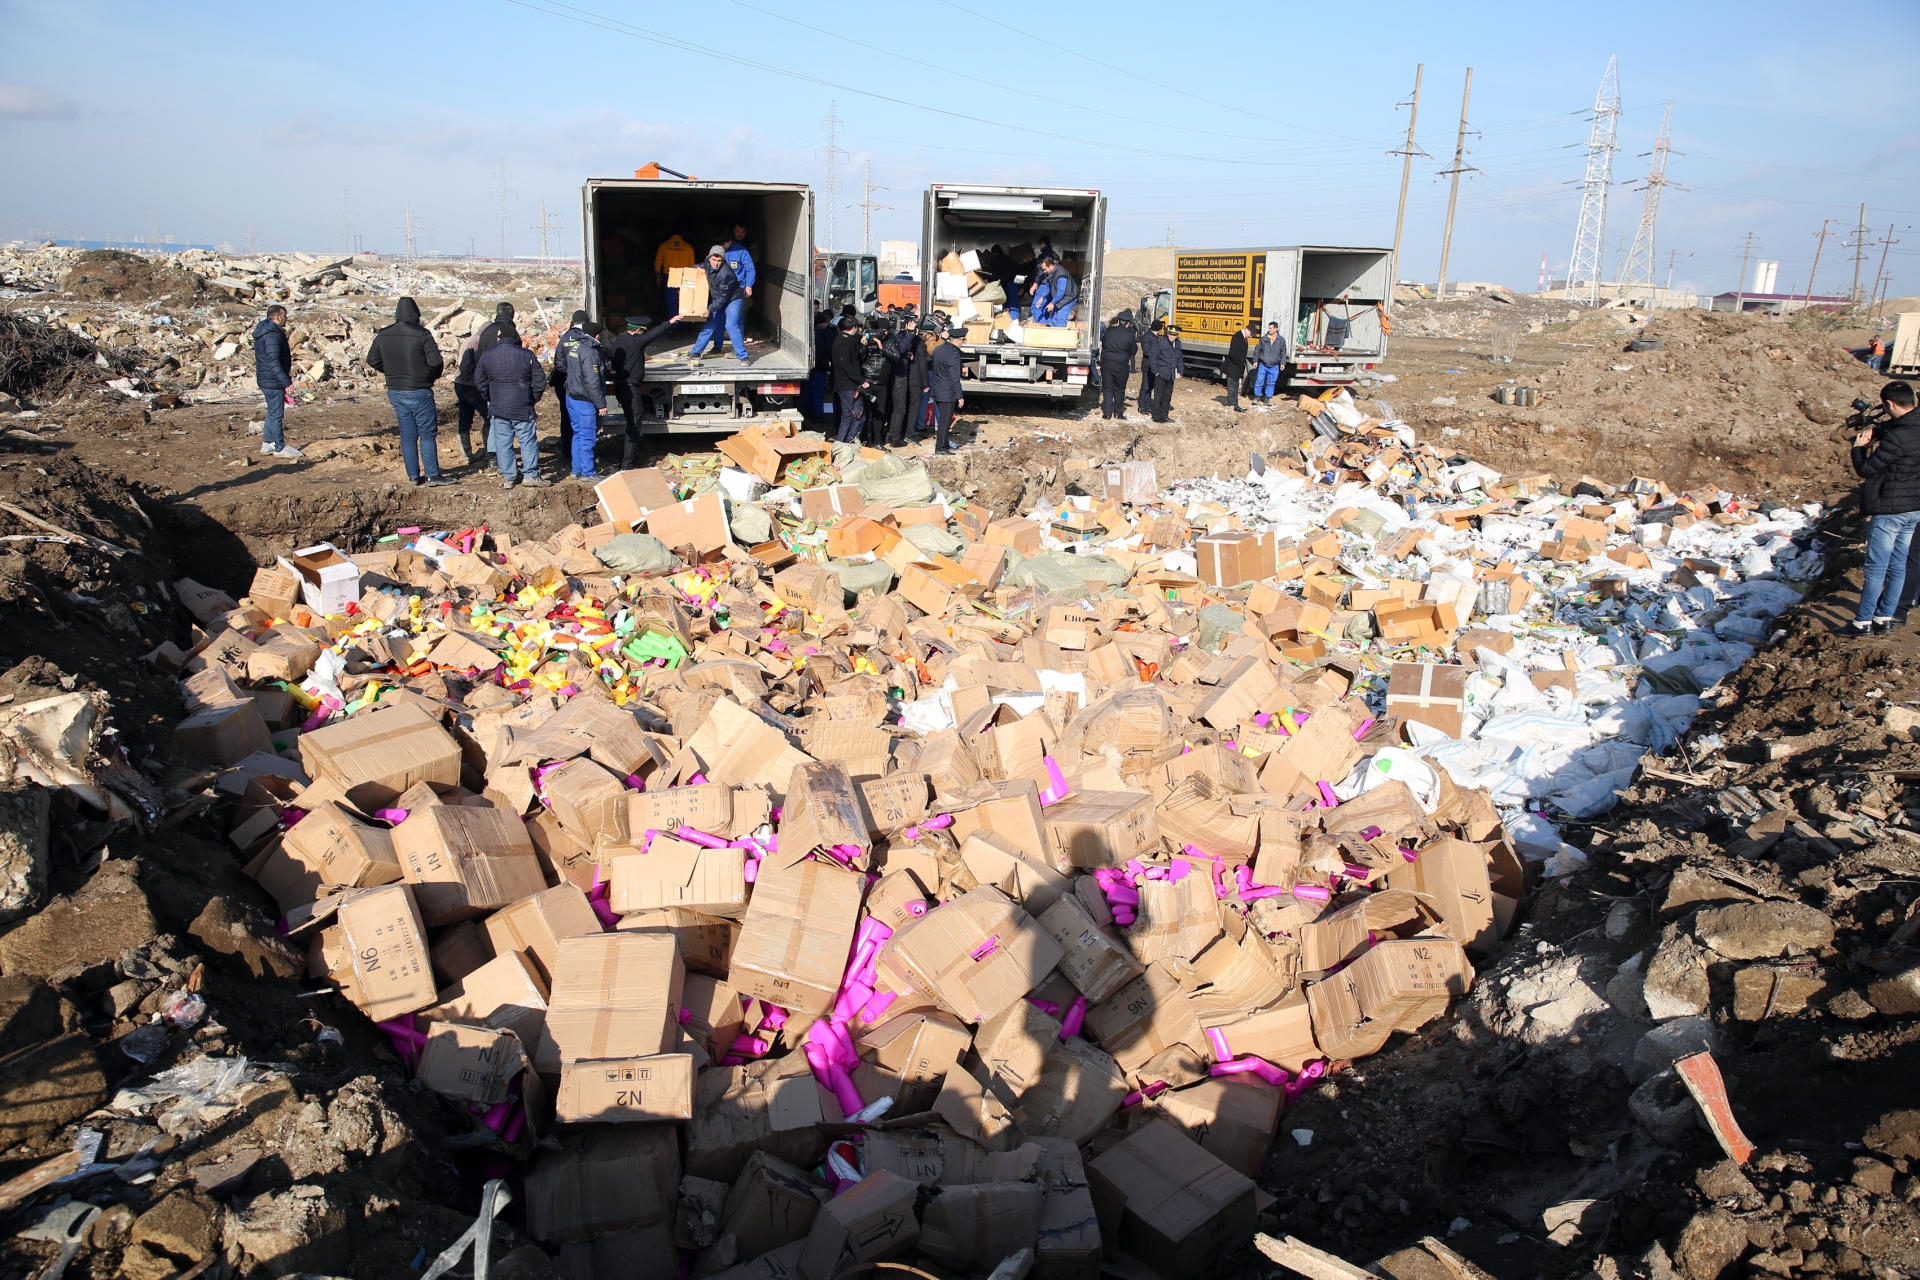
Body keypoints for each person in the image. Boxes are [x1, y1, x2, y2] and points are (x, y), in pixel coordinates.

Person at [1850, 381, 1920, 634]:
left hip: (1891, 509)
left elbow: (1867, 470)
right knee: (1899, 564)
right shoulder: (1909, 427)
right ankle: (1885, 617)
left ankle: (1862, 621)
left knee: (1876, 567)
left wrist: (1859, 448)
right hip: (1914, 508)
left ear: (1890, 404)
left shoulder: (1898, 438)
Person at [366, 296, 451, 486]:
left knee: (408, 434)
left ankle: (413, 476)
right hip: (419, 389)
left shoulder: (384, 334)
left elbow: (372, 359)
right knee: (427, 433)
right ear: (416, 314)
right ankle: (432, 475)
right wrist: (430, 376)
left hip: (396, 390)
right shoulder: (422, 334)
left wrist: (390, 371)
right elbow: (436, 362)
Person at [475, 324, 549, 489]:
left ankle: (509, 477)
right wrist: (533, 398)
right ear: (516, 338)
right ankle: (530, 474)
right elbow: (540, 381)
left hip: (499, 407)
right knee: (527, 440)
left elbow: (479, 380)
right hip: (522, 406)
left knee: (503, 442)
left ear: (499, 339)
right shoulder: (526, 355)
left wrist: (489, 397)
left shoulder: (488, 356)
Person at [607, 314, 679, 469]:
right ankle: (627, 464)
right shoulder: (636, 343)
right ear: (639, 330)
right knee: (634, 425)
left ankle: (628, 459)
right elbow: (655, 334)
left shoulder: (618, 342)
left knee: (631, 421)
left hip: (620, 386)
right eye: (643, 331)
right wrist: (671, 322)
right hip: (631, 388)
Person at [558, 319, 610, 480]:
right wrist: (601, 404)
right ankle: (588, 472)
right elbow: (592, 381)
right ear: (596, 335)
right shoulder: (590, 353)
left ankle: (576, 469)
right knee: (587, 436)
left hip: (571, 396)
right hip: (584, 401)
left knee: (578, 434)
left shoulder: (575, 347)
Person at [251, 305, 302, 459]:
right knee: (277, 413)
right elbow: (273, 361)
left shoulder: (265, 331)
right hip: (272, 380)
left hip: (266, 378)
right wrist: (286, 382)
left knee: (272, 411)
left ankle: (267, 443)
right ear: (278, 316)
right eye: (285, 316)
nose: (286, 319)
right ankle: (279, 446)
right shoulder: (272, 335)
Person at [688, 246, 748, 365]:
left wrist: (709, 309)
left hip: (733, 299)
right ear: (709, 258)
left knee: (731, 324)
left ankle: (743, 356)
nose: (716, 263)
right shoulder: (706, 264)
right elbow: (696, 268)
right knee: (710, 324)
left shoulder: (726, 274)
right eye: (714, 260)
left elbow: (723, 298)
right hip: (719, 298)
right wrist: (685, 278)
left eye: (719, 261)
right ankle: (695, 352)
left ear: (723, 260)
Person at [550, 310, 589, 467]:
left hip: (564, 384)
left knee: (567, 418)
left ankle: (568, 452)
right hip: (579, 385)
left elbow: (558, 362)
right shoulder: (587, 338)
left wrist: (569, 374)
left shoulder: (565, 338)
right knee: (584, 420)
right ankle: (583, 457)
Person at [927, 326, 966, 455]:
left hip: (937, 389)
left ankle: (942, 444)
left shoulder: (939, 349)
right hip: (947, 392)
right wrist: (959, 396)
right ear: (957, 340)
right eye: (962, 340)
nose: (963, 342)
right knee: (946, 421)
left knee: (943, 420)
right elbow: (955, 378)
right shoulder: (954, 354)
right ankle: (941, 447)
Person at [451, 326, 487, 461]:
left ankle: (466, 453)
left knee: (465, 418)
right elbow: (465, 366)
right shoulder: (476, 342)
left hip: (461, 384)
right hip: (471, 385)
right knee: (489, 416)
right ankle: (491, 452)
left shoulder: (471, 340)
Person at [830, 315, 868, 444]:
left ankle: (841, 445)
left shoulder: (838, 340)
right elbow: (848, 366)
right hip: (849, 385)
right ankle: (849, 444)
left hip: (842, 384)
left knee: (846, 417)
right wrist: (862, 381)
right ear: (854, 328)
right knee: (858, 417)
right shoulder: (847, 343)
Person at [1099, 312, 1136, 420]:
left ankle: (1107, 413)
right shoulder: (1130, 334)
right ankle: (1118, 413)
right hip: (1121, 364)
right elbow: (1133, 350)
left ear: (1118, 320)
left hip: (1107, 363)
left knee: (1108, 388)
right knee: (1120, 389)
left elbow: (1104, 343)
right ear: (1128, 323)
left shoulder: (1109, 330)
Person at [1143, 319, 1179, 424]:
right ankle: (1156, 416)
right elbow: (1153, 356)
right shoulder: (1161, 342)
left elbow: (1179, 358)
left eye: (1174, 335)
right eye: (1171, 334)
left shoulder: (1177, 344)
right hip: (1161, 372)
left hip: (1171, 373)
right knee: (1158, 395)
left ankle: (1164, 415)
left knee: (1167, 396)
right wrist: (1155, 371)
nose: (1172, 336)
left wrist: (1180, 370)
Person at [1029, 256, 1078, 327]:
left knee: (1061, 316)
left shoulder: (1061, 274)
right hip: (1062, 297)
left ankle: (1061, 336)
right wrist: (1042, 297)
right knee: (1054, 317)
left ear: (1050, 266)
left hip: (1069, 297)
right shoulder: (1051, 273)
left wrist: (1052, 303)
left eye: (1045, 269)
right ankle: (1053, 333)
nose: (1044, 271)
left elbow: (1061, 292)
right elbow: (1050, 288)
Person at [654, 233, 696, 316]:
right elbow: (692, 267)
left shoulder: (664, 246)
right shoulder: (688, 247)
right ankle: (681, 324)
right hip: (685, 277)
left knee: (671, 302)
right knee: (684, 302)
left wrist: (658, 276)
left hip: (670, 277)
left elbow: (658, 263)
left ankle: (673, 325)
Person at [1252, 320, 1287, 407]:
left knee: (1271, 382)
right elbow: (1257, 350)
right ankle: (1257, 397)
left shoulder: (1281, 340)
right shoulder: (1264, 339)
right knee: (1259, 381)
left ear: (1276, 329)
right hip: (1263, 364)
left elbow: (1283, 352)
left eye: (1271, 328)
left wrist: (1283, 363)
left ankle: (1267, 398)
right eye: (1269, 328)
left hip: (1274, 365)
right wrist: (1255, 361)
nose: (1269, 330)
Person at [1137, 319, 1165, 417]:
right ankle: (1142, 405)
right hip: (1148, 365)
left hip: (1154, 365)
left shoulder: (1155, 337)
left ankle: (1147, 405)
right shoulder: (1148, 337)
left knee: (1150, 386)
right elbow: (1147, 352)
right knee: (1145, 385)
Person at [1223, 322, 1251, 413]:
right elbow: (1233, 353)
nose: (1251, 336)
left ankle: (1235, 405)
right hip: (1233, 367)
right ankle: (1232, 404)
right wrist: (1239, 363)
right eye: (1250, 334)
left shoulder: (1244, 338)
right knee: (1232, 386)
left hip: (1237, 367)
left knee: (1235, 386)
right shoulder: (1237, 337)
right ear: (1247, 330)